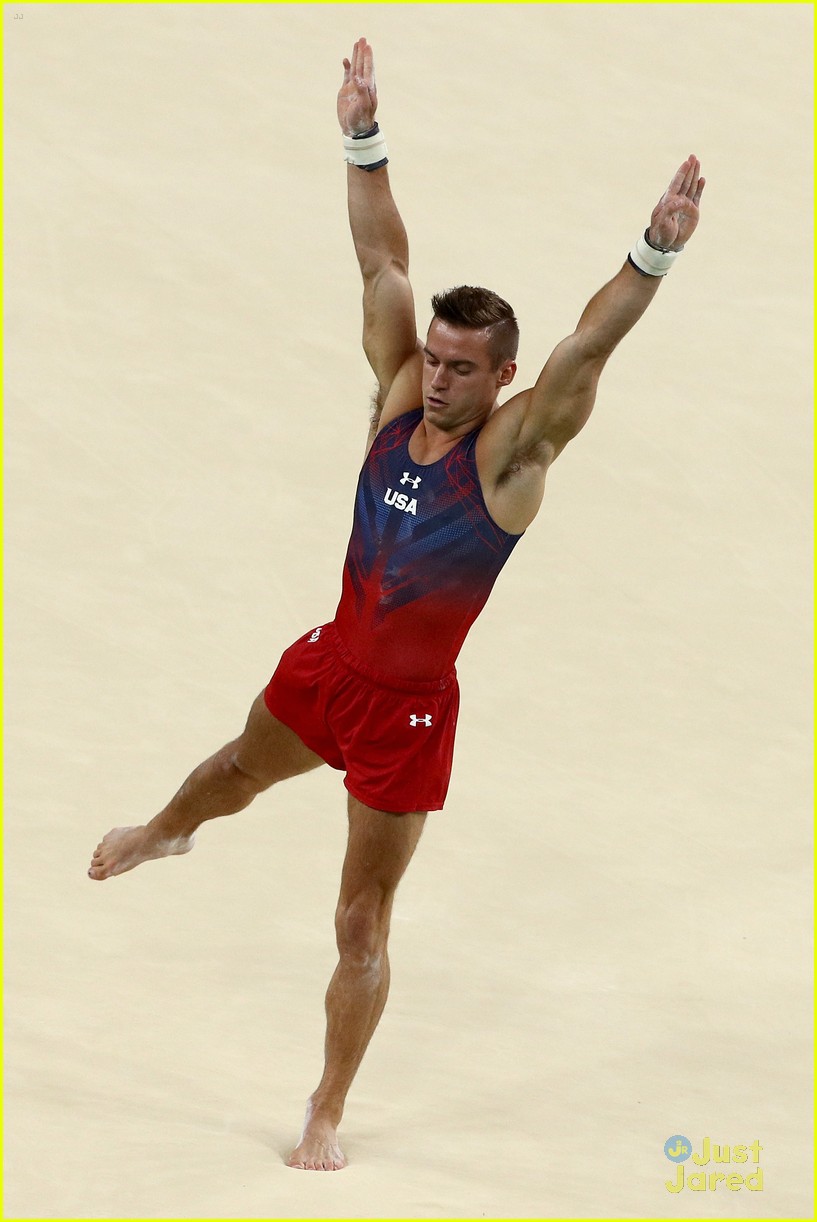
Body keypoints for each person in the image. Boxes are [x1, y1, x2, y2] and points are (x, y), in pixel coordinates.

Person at [88, 37, 705, 1171]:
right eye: (432, 360)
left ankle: (323, 1107)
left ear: (503, 381)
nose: (437, 377)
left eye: (462, 368)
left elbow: (588, 345)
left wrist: (651, 255)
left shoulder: (514, 457)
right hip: (327, 666)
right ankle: (167, 834)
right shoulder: (392, 401)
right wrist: (360, 132)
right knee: (230, 770)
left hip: (408, 715)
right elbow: (380, 263)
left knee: (359, 921)